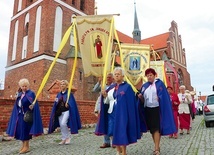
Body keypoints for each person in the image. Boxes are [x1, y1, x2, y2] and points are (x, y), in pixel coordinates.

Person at [95, 67, 141, 155]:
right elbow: (107, 101)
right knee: (111, 131)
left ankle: (124, 151)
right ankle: (118, 150)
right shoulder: (111, 87)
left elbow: (130, 102)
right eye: (115, 74)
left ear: (123, 76)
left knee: (121, 131)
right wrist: (104, 96)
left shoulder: (127, 87)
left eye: (118, 74)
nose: (116, 76)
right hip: (111, 112)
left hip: (123, 114)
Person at [137, 68, 176, 155]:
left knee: (156, 129)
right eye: (147, 76)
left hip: (157, 109)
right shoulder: (144, 86)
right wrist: (141, 97)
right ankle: (156, 145)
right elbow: (143, 101)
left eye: (151, 75)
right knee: (152, 129)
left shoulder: (159, 84)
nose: (149, 77)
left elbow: (164, 96)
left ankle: (156, 148)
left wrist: (160, 98)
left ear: (155, 75)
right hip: (148, 109)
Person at [6, 78, 43, 154]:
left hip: (27, 115)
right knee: (21, 131)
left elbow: (35, 103)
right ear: (20, 86)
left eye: (26, 86)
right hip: (19, 115)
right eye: (23, 86)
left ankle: (26, 146)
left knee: (26, 131)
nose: (24, 87)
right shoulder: (19, 94)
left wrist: (32, 106)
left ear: (28, 85)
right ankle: (23, 145)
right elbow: (17, 104)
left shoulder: (31, 93)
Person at [48, 80, 81, 145]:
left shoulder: (69, 94)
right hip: (60, 111)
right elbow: (56, 102)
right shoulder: (59, 94)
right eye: (61, 84)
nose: (62, 85)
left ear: (66, 86)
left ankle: (68, 137)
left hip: (67, 111)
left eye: (63, 84)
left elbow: (72, 103)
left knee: (63, 123)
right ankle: (64, 138)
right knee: (61, 125)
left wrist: (68, 104)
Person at [92, 73, 114, 148]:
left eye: (110, 77)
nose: (108, 78)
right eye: (107, 77)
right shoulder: (103, 85)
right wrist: (99, 81)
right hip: (103, 106)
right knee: (104, 123)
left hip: (111, 106)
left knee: (111, 123)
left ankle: (114, 141)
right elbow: (94, 90)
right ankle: (106, 142)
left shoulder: (114, 86)